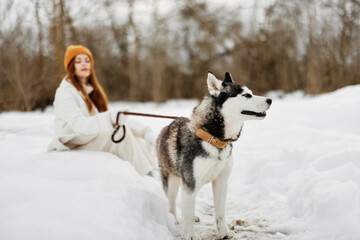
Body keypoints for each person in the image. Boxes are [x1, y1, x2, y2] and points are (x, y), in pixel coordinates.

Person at [48, 45, 157, 175]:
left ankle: (155, 172)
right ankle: (148, 175)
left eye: (87, 60)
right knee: (122, 135)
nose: (84, 64)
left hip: (88, 138)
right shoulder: (65, 93)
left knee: (136, 138)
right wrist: (110, 118)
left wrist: (144, 131)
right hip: (73, 144)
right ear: (71, 66)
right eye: (78, 61)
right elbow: (80, 125)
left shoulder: (89, 90)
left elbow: (111, 117)